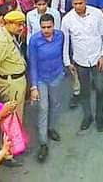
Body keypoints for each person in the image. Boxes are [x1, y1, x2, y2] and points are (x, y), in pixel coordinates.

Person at [61, 0, 103, 132]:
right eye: (75, 4)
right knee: (84, 90)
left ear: (85, 1)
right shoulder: (67, 19)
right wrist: (67, 62)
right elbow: (65, 42)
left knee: (101, 89)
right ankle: (87, 116)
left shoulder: (96, 14)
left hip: (97, 59)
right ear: (72, 4)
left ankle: (99, 117)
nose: (78, 6)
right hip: (80, 60)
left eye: (80, 3)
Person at [28, 13, 65, 162]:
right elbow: (33, 64)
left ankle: (51, 128)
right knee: (43, 107)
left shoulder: (60, 36)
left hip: (56, 76)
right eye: (43, 27)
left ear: (54, 26)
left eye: (49, 27)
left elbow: (65, 52)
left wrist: (63, 70)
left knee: (55, 104)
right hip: (42, 78)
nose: (46, 30)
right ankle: (43, 143)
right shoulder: (34, 40)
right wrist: (34, 86)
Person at [0, 10, 28, 121]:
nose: (21, 28)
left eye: (22, 24)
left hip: (17, 80)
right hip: (12, 84)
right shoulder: (2, 40)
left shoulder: (8, 33)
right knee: (15, 116)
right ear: (8, 24)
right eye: (18, 24)